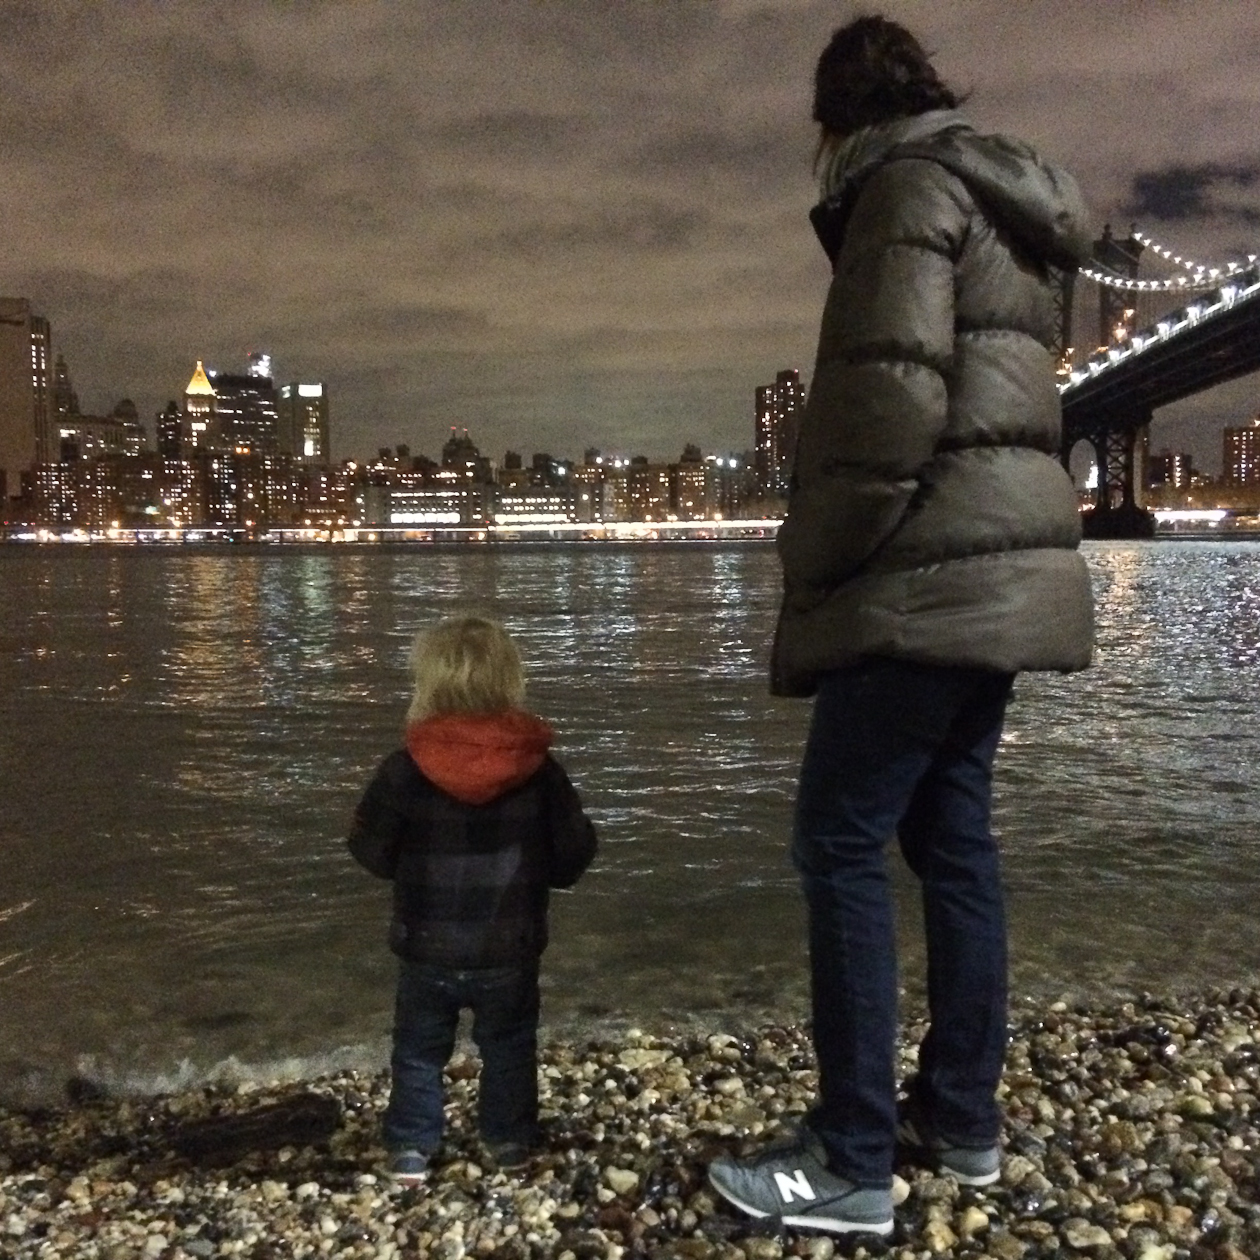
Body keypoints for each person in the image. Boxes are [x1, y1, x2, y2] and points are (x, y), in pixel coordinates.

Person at [708, 14, 1094, 1238]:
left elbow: (889, 402)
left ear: (835, 125)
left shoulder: (904, 191)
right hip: (998, 577)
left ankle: (851, 1157)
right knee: (954, 840)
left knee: (837, 842)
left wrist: (812, 559)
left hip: (920, 583)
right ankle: (962, 1123)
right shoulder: (1014, 212)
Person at [348, 616, 598, 1183]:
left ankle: (411, 1147)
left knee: (418, 1049)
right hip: (510, 944)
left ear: (428, 682)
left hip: (426, 944)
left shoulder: (405, 769)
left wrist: (409, 867)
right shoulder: (538, 771)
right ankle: (508, 1141)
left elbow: (370, 851)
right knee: (508, 1044)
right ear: (510, 679)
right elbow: (572, 854)